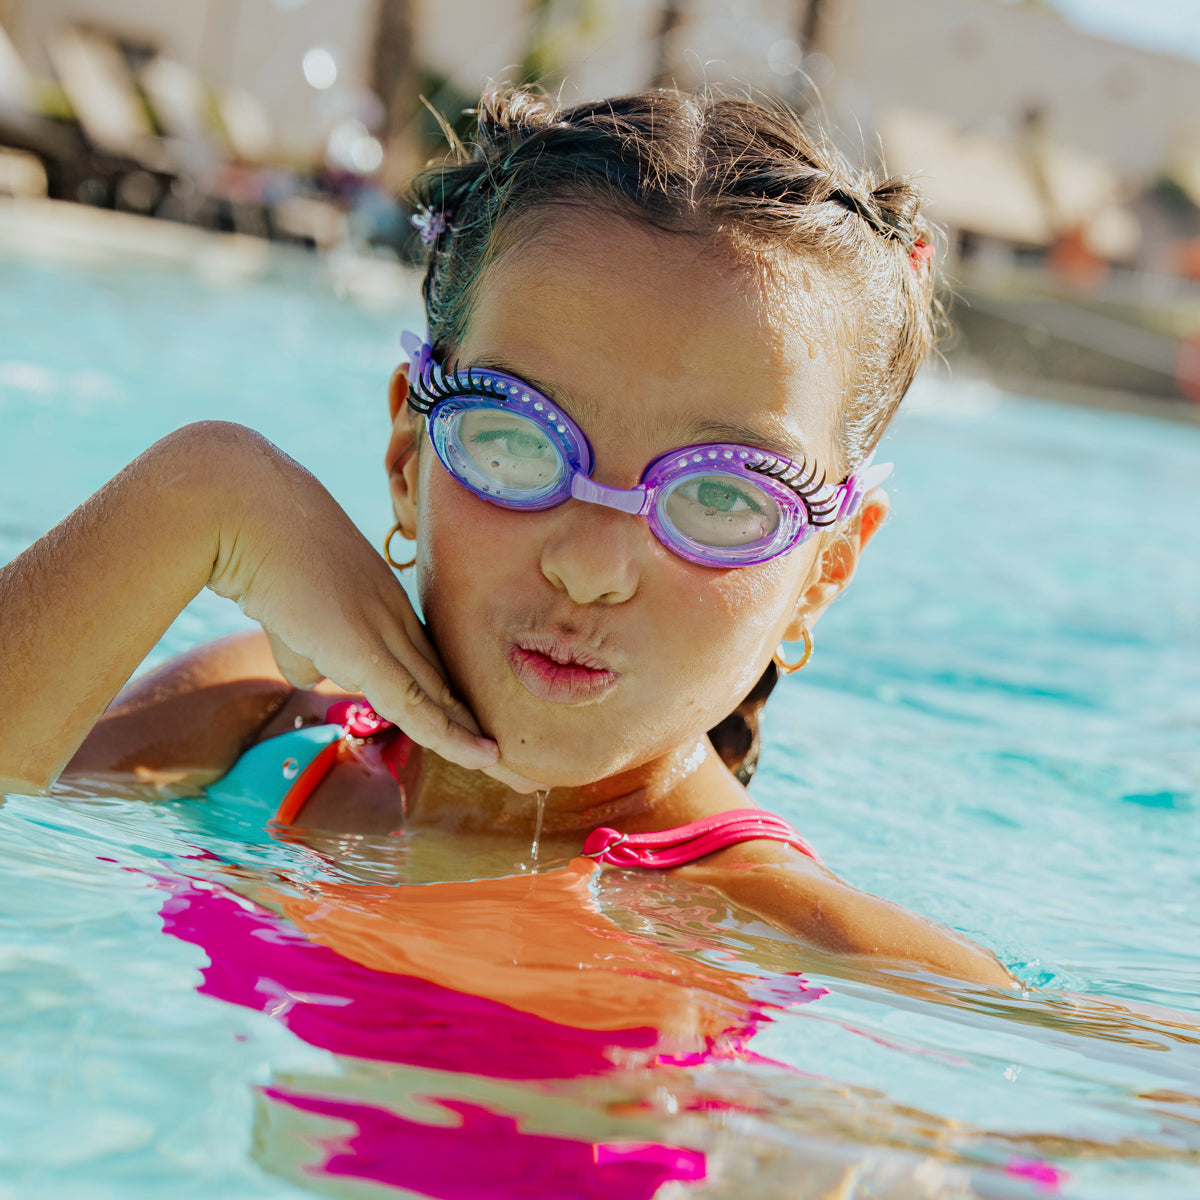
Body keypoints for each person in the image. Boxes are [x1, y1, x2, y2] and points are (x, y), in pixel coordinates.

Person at [0, 86, 1012, 990]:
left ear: (826, 568)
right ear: (410, 458)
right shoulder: (256, 722)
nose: (589, 566)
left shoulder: (814, 950)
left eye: (721, 497)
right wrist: (201, 490)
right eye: (519, 441)